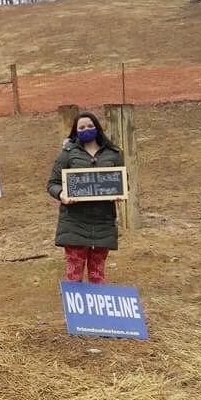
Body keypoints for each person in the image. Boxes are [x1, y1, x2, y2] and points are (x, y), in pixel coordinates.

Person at [47, 111, 124, 284]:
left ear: (97, 127)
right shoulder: (67, 154)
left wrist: (119, 193)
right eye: (81, 127)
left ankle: (99, 311)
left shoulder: (113, 154)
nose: (86, 129)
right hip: (74, 224)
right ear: (75, 131)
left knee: (98, 277)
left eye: (90, 126)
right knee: (73, 278)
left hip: (103, 224)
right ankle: (74, 311)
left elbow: (122, 181)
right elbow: (52, 183)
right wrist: (62, 194)